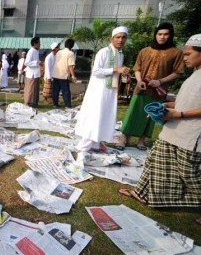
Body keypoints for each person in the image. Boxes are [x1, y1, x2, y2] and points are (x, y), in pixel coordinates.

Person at [118, 33, 201, 208]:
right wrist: (172, 104)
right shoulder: (195, 74)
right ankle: (141, 193)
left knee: (189, 173)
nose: (184, 58)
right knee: (154, 160)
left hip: (190, 134)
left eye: (188, 54)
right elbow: (191, 98)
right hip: (173, 129)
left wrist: (179, 114)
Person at [117, 22, 185, 150]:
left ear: (170, 36)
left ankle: (141, 141)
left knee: (152, 114)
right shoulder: (145, 51)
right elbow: (137, 68)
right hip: (141, 88)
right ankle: (124, 138)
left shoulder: (176, 53)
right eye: (159, 34)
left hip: (158, 90)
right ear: (155, 35)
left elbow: (178, 72)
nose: (162, 37)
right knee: (133, 112)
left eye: (166, 34)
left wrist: (160, 81)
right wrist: (139, 81)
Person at [74, 26, 130, 163]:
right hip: (99, 91)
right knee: (95, 117)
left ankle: (96, 143)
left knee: (105, 116)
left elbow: (115, 73)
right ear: (111, 38)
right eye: (118, 37)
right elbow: (96, 71)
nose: (120, 40)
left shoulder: (120, 54)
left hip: (110, 91)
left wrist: (124, 77)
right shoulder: (104, 52)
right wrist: (116, 69)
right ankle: (83, 146)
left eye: (123, 37)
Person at [52, 38, 77, 108]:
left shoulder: (59, 52)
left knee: (55, 91)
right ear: (72, 46)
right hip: (64, 75)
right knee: (65, 91)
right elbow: (70, 66)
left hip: (56, 73)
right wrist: (73, 76)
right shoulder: (71, 53)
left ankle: (55, 104)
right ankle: (68, 105)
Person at [24, 36, 42, 108]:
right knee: (30, 89)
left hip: (36, 73)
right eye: (39, 43)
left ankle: (34, 102)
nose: (40, 44)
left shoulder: (36, 51)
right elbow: (27, 63)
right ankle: (28, 102)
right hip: (31, 74)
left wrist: (38, 63)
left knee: (35, 89)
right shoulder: (31, 51)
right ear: (35, 44)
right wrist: (36, 62)